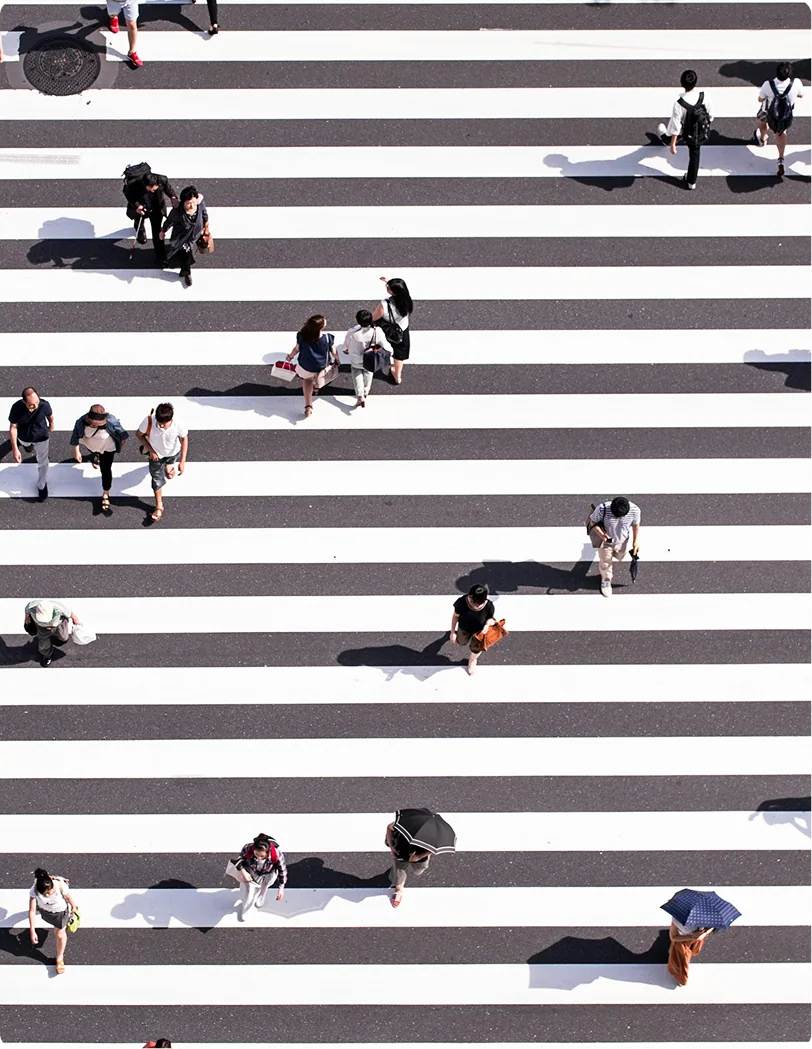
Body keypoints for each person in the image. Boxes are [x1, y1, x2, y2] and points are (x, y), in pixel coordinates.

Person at [656, 69, 712, 191]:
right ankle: (691, 182)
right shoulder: (704, 96)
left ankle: (666, 139)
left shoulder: (679, 104)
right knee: (695, 156)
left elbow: (676, 127)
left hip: (687, 132)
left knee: (676, 126)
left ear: (682, 84)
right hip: (700, 132)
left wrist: (673, 144)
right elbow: (710, 114)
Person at [70, 404, 129, 514]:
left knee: (105, 469)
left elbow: (122, 433)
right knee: (95, 452)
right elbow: (75, 435)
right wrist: (76, 451)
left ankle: (106, 492)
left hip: (108, 448)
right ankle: (96, 456)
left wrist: (121, 440)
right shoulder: (81, 422)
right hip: (92, 445)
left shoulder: (110, 421)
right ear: (89, 420)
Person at [135, 403, 188, 523]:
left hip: (173, 452)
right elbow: (138, 435)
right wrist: (151, 450)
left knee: (170, 465)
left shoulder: (179, 423)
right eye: (159, 423)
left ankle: (169, 467)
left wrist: (182, 461)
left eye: (164, 424)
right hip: (156, 456)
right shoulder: (149, 420)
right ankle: (159, 506)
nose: (162, 426)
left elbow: (184, 439)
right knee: (156, 479)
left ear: (171, 419)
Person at [754, 61, 804, 178]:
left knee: (762, 122)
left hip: (768, 113)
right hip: (785, 115)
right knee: (781, 133)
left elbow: (760, 99)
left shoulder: (768, 84)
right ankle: (781, 159)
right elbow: (801, 95)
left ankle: (762, 138)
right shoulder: (796, 83)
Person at [286, 314, 340, 418]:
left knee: (307, 380)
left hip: (305, 365)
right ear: (321, 327)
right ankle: (316, 387)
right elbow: (334, 351)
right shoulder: (327, 338)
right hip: (321, 365)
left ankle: (308, 406)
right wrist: (337, 360)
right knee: (319, 377)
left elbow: (296, 349)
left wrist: (290, 357)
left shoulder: (302, 335)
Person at [589, 496, 641, 598]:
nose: (618, 518)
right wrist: (601, 534)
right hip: (606, 542)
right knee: (605, 562)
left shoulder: (635, 510)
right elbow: (592, 522)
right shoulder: (602, 509)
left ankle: (612, 559)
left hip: (623, 540)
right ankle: (606, 579)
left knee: (620, 555)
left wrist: (635, 541)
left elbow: (636, 525)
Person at [28, 868, 78, 974]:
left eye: (50, 891)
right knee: (57, 931)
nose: (47, 895)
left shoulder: (60, 887)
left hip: (60, 912)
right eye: (44, 893)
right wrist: (32, 930)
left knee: (59, 934)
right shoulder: (35, 889)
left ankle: (59, 958)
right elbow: (32, 910)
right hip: (45, 912)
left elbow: (68, 897)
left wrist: (73, 906)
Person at [8, 386, 53, 502]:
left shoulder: (44, 405)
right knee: (27, 448)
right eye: (31, 404)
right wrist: (15, 449)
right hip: (24, 437)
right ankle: (27, 447)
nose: (35, 406)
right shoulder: (17, 408)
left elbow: (50, 415)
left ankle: (42, 485)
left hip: (42, 437)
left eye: (37, 402)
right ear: (24, 402)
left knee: (43, 462)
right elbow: (13, 427)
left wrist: (52, 424)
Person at [125, 170, 178, 264]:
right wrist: (137, 205)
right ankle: (140, 229)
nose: (153, 190)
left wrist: (173, 197)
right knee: (139, 220)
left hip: (156, 209)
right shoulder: (135, 183)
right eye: (150, 189)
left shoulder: (162, 179)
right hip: (142, 206)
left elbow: (168, 189)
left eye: (154, 189)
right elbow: (128, 194)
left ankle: (160, 256)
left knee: (157, 232)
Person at [160, 186, 209, 288]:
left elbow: (204, 215)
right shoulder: (178, 212)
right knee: (185, 252)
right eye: (188, 203)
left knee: (184, 252)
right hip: (181, 236)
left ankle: (184, 269)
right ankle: (186, 272)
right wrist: (163, 231)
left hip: (194, 235)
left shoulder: (200, 205)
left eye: (193, 202)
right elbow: (169, 221)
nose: (191, 205)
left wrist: (206, 226)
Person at [343, 308, 392, 408]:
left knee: (357, 374)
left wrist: (346, 350)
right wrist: (390, 351)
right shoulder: (377, 331)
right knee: (368, 373)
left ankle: (360, 395)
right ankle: (366, 391)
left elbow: (346, 346)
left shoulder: (352, 333)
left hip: (356, 358)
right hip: (370, 358)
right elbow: (384, 344)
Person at [234, 832, 288, 920]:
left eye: (262, 856)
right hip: (253, 871)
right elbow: (240, 860)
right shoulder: (248, 848)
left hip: (269, 873)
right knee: (249, 891)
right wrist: (244, 872)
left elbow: (282, 870)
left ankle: (261, 896)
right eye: (256, 854)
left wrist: (281, 887)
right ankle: (246, 909)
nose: (259, 857)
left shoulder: (277, 855)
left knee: (264, 886)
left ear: (268, 852)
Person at [372, 276, 413, 385]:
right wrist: (389, 282)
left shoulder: (385, 304)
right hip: (401, 329)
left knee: (381, 345)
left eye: (388, 287)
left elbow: (375, 317)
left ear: (393, 292)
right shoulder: (407, 300)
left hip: (386, 329)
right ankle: (397, 375)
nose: (386, 287)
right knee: (400, 353)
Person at [449, 583, 497, 676]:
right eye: (471, 600)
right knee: (461, 642)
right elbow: (455, 616)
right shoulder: (462, 602)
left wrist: (487, 625)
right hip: (464, 628)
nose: (473, 604)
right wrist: (452, 631)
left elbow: (490, 618)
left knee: (476, 648)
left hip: (479, 632)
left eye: (477, 603)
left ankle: (472, 660)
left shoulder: (489, 606)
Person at [385, 818, 430, 908]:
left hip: (420, 856)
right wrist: (392, 847)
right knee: (398, 875)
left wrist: (419, 856)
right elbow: (389, 828)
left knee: (419, 871)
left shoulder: (430, 833)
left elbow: (432, 849)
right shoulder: (404, 825)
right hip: (400, 853)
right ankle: (399, 891)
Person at [24, 599, 81, 667]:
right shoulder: (31, 606)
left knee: (63, 638)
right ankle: (46, 655)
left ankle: (54, 641)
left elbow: (71, 614)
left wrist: (76, 620)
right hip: (42, 627)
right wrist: (26, 617)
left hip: (58, 624)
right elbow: (27, 610)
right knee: (43, 644)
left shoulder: (60, 608)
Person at [667, 920, 713, 986]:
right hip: (697, 940)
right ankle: (682, 979)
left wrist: (694, 936)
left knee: (681, 961)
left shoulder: (677, 919)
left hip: (683, 941)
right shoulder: (707, 917)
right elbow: (713, 926)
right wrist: (703, 934)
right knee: (688, 954)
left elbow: (673, 937)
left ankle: (681, 979)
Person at [106, 0, 142, 68]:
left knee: (132, 24)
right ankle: (113, 17)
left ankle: (132, 52)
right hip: (114, 1)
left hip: (131, 1)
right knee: (113, 13)